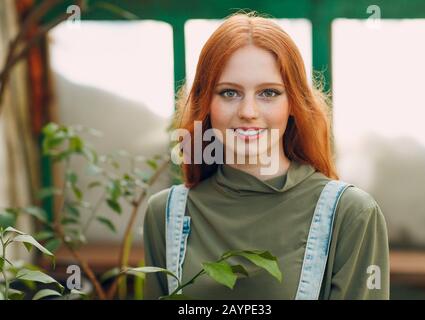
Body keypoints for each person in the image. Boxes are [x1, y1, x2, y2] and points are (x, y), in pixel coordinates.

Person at [143, 11, 389, 300]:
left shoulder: (352, 215)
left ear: (294, 104)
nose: (248, 111)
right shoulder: (166, 214)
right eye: (229, 93)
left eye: (269, 93)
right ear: (205, 103)